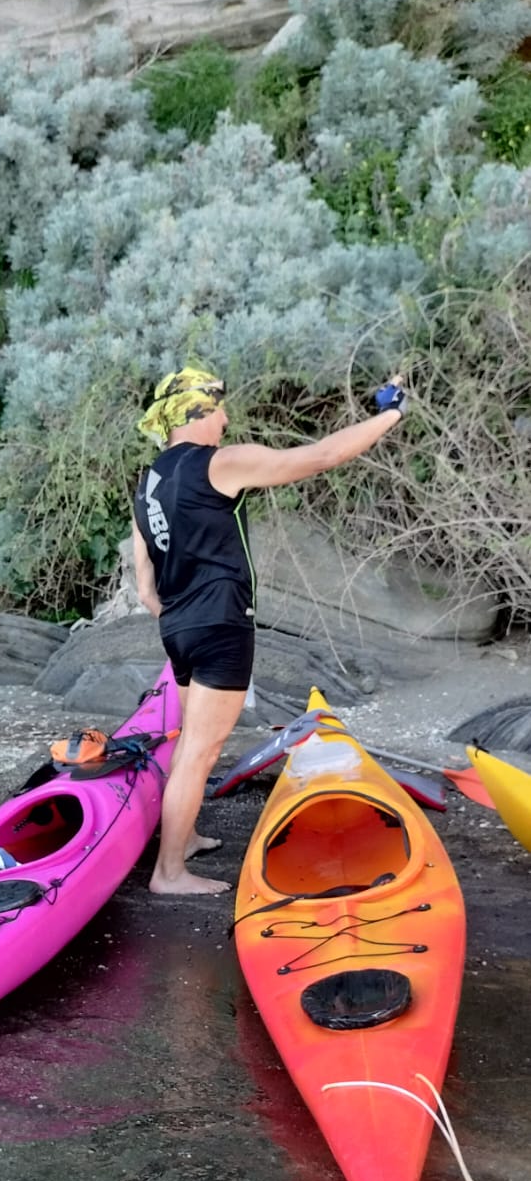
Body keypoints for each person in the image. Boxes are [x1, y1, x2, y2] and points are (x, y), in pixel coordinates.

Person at [132, 365, 407, 895]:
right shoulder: (219, 463)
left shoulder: (149, 482)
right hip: (220, 626)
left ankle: (182, 839)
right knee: (200, 751)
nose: (226, 418)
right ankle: (168, 873)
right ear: (195, 411)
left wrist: (181, 615)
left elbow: (146, 584)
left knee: (191, 743)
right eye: (218, 409)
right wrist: (390, 415)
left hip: (180, 629)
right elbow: (320, 457)